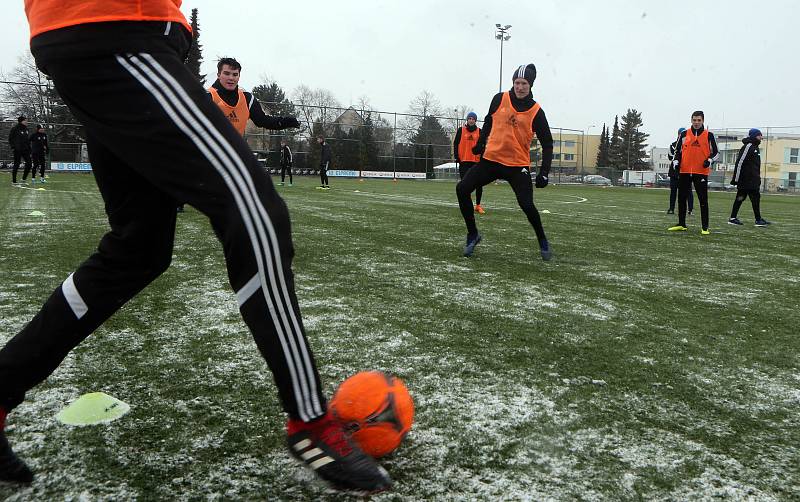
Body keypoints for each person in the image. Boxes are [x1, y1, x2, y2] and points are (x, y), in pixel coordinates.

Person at [1, 1, 391, 494]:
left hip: (86, 41)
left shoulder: (243, 97)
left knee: (137, 249)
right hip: (117, 31)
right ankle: (311, 422)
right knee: (257, 211)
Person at [456, 63, 554, 260]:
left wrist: (544, 172)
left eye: (524, 83)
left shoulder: (536, 111)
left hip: (517, 166)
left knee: (526, 204)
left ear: (531, 85)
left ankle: (542, 239)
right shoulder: (499, 98)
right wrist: (482, 143)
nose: (519, 87)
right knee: (462, 189)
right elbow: (489, 120)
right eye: (517, 82)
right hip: (491, 160)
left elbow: (548, 143)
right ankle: (472, 234)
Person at [668, 110, 718, 235]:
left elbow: (716, 153)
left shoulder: (709, 135)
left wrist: (710, 160)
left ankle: (705, 227)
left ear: (703, 121)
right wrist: (676, 161)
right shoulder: (684, 134)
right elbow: (677, 152)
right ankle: (681, 224)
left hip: (701, 172)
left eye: (699, 120)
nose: (696, 122)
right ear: (691, 120)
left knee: (703, 200)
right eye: (694, 120)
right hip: (684, 171)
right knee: (682, 198)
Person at [728, 128, 770, 227]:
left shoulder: (755, 147)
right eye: (759, 135)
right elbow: (739, 162)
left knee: (746, 198)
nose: (761, 137)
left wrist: (757, 178)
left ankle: (735, 218)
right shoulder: (748, 146)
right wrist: (735, 179)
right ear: (754, 136)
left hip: (752, 180)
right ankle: (757, 220)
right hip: (746, 180)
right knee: (747, 198)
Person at [453, 112, 485, 214]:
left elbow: (483, 146)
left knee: (479, 184)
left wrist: (483, 157)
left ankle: (478, 205)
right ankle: (468, 204)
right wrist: (457, 157)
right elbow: (456, 144)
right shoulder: (461, 130)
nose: (471, 120)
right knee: (465, 185)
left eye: (473, 119)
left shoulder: (480, 131)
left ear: (475, 120)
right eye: (469, 118)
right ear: (467, 120)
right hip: (464, 161)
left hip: (476, 161)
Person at [666, 127, 693, 215]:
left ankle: (689, 209)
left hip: (685, 170)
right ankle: (672, 208)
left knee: (688, 191)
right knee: (674, 191)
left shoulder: (690, 144)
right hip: (675, 171)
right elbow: (670, 157)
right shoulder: (673, 145)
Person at [8, 116, 32, 185]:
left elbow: (27, 140)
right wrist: (14, 147)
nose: (27, 122)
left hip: (26, 150)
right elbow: (10, 139)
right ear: (21, 121)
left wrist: (29, 148)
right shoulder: (15, 128)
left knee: (29, 164)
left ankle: (23, 179)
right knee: (17, 164)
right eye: (25, 120)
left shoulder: (26, 129)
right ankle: (14, 181)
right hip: (17, 150)